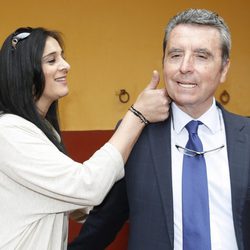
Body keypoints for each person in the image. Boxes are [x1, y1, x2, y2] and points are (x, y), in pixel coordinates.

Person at [68, 8, 250, 250]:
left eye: (201, 56)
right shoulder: (135, 135)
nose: (185, 67)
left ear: (224, 68)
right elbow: (104, 222)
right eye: (175, 55)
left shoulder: (245, 136)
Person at [0, 27, 170, 250]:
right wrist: (137, 116)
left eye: (62, 56)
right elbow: (85, 186)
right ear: (25, 72)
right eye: (51, 60)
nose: (65, 65)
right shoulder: (9, 132)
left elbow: (75, 200)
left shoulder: (43, 131)